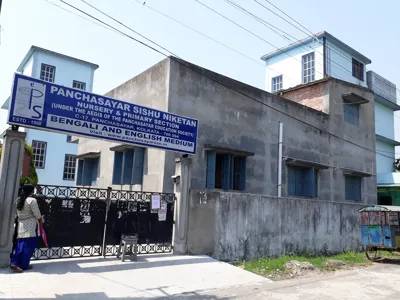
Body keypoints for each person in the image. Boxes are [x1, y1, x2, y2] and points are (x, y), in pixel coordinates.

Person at [10, 184, 43, 273]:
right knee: (28, 246)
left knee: (20, 245)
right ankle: (23, 265)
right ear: (31, 191)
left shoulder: (18, 200)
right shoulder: (32, 200)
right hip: (31, 225)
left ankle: (14, 262)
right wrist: (40, 220)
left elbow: (16, 214)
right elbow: (37, 214)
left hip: (21, 224)